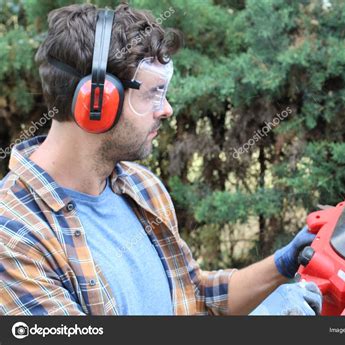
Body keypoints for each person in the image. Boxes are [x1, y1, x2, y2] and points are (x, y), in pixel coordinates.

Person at [0, 3, 321, 316]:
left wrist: (279, 268)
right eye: (152, 93)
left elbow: (194, 297)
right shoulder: (14, 237)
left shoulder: (140, 187)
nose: (166, 109)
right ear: (96, 102)